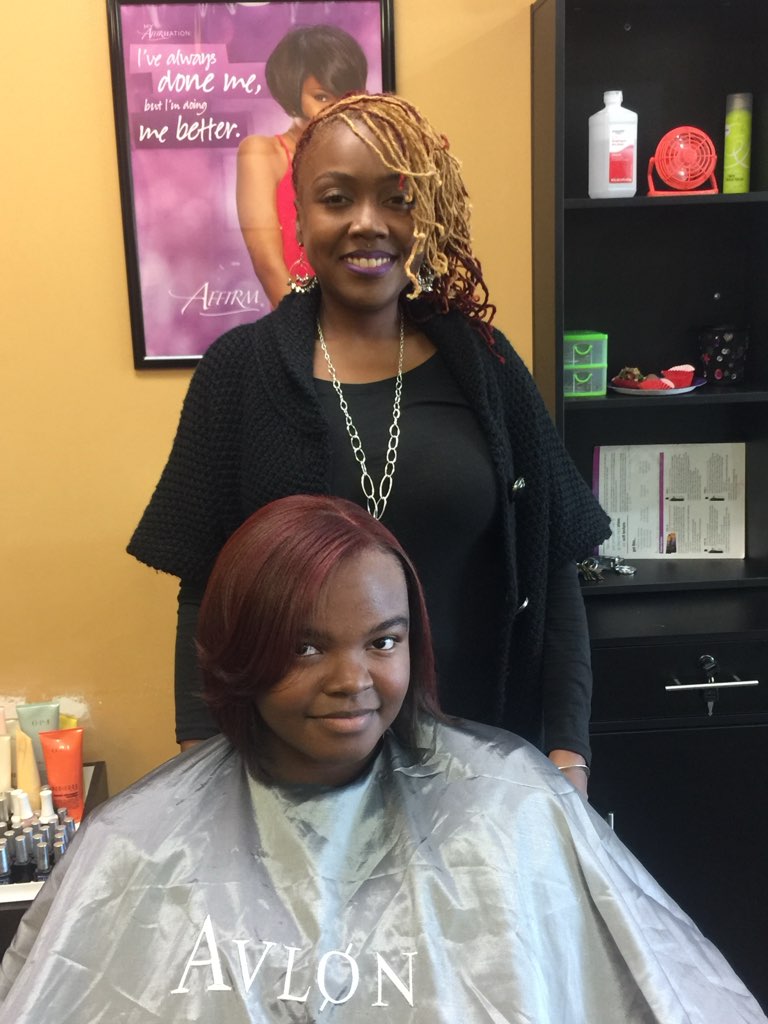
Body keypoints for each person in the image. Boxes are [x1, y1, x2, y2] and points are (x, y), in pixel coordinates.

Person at [1, 496, 764, 1022]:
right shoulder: (139, 840)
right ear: (241, 653)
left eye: (383, 641)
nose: (353, 680)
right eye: (307, 647)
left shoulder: (513, 802)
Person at [128, 92, 611, 795]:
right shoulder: (239, 373)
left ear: (427, 214)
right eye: (336, 198)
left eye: (397, 198)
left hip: (481, 766)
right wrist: (198, 772)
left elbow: (554, 564)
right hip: (293, 777)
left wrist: (568, 758)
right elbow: (203, 591)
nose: (367, 222)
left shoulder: (486, 365)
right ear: (300, 216)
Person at [235, 25, 368, 307]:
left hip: (364, 321)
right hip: (298, 321)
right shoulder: (263, 154)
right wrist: (303, 328)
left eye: (345, 96)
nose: (335, 108)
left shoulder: (368, 157)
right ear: (293, 94)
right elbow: (267, 264)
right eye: (321, 97)